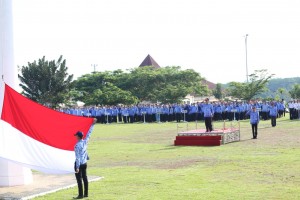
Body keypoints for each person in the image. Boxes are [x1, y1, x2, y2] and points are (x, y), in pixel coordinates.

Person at [73, 118, 97, 199]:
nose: (75, 136)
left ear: (78, 137)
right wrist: (93, 124)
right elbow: (89, 133)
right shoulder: (85, 142)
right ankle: (86, 194)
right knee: (85, 178)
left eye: (76, 135)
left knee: (79, 180)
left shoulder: (77, 146)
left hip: (79, 164)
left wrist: (77, 167)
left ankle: (80, 195)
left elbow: (78, 157)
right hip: (85, 163)